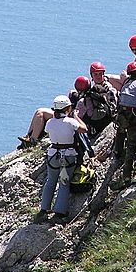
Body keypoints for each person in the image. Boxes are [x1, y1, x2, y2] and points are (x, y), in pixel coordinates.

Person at [37, 94, 88, 223]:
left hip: (53, 154)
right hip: (68, 155)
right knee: (64, 183)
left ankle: (44, 209)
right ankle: (59, 213)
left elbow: (50, 131)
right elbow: (84, 129)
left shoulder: (50, 122)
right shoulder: (71, 122)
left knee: (51, 181)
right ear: (68, 108)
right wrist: (75, 116)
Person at [73, 74, 116, 139]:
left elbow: (77, 119)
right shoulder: (100, 95)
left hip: (93, 129)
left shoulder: (83, 101)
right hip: (106, 122)